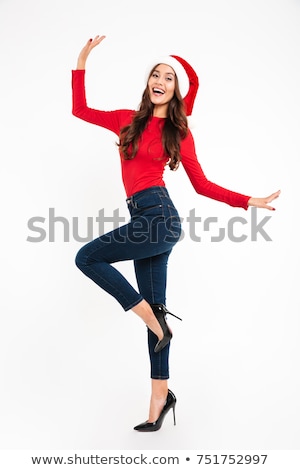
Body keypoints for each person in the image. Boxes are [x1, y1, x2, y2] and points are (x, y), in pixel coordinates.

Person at [72, 35, 280, 432]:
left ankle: (152, 320)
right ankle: (159, 398)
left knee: (87, 257)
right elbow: (79, 108)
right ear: (148, 83)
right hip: (142, 219)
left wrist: (246, 200)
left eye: (169, 77)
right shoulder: (124, 120)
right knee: (156, 312)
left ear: (175, 90)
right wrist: (82, 59)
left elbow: (202, 185)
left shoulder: (178, 133)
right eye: (155, 74)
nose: (161, 79)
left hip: (160, 218)